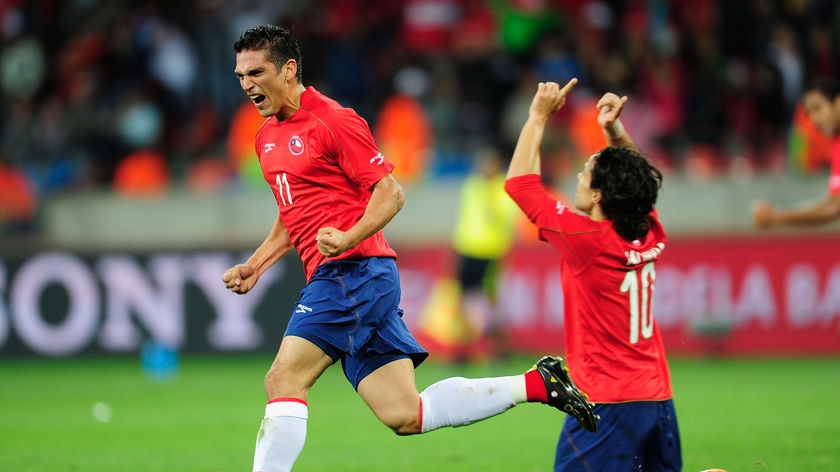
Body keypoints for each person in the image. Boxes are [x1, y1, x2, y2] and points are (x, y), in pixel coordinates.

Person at [221, 25, 598, 472]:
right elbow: (294, 212)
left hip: (352, 272)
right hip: (357, 276)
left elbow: (391, 193)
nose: (247, 84)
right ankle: (537, 384)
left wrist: (348, 237)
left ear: (288, 69)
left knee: (283, 378)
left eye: (256, 72)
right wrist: (257, 263)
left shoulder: (333, 120)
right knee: (404, 413)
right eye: (240, 74)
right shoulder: (266, 137)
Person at [504, 79, 682, 471]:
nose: (580, 179)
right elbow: (641, 180)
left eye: (586, 173)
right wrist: (614, 131)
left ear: (599, 194)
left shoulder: (587, 239)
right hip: (658, 399)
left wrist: (537, 117)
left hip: (607, 402)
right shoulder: (646, 227)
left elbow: (519, 184)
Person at [450, 146, 519, 359]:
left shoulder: (503, 189)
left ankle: (498, 346)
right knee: (464, 297)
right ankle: (465, 346)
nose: (484, 168)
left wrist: (491, 195)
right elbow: (466, 218)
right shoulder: (473, 185)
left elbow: (504, 218)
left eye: (488, 163)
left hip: (490, 252)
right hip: (466, 249)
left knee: (488, 298)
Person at [753, 77, 840, 228]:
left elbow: (835, 208)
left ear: (838, 103)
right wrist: (778, 215)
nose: (813, 121)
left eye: (818, 109)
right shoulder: (835, 144)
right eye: (809, 113)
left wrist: (777, 216)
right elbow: (834, 201)